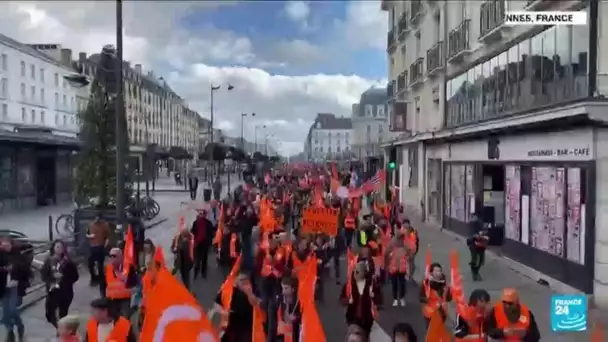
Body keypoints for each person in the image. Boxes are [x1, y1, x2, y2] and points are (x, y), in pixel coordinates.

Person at [41, 240, 79, 329]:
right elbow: (44, 274)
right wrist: (50, 282)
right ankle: (58, 326)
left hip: (66, 291)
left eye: (61, 247)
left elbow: (75, 277)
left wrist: (64, 277)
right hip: (52, 291)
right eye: (57, 247)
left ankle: (62, 330)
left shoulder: (68, 262)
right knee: (49, 314)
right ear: (53, 248)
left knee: (63, 313)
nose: (59, 249)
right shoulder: (49, 261)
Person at [0, 238, 31, 342]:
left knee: (13, 310)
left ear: (11, 244)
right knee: (4, 314)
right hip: (3, 287)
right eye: (2, 245)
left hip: (15, 287)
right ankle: (10, 331)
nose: (5, 247)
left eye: (6, 245)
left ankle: (20, 326)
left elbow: (26, 271)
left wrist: (14, 271)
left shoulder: (19, 256)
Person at [339, 262, 381, 337]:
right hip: (353, 318)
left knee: (366, 337)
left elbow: (380, 300)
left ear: (364, 272)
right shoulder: (349, 285)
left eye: (357, 271)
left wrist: (374, 296)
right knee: (355, 337)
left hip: (368, 319)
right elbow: (341, 299)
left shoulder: (371, 284)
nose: (355, 273)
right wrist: (348, 300)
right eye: (354, 271)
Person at [212, 273, 257, 342]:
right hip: (230, 325)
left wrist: (249, 293)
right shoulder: (228, 291)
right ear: (236, 282)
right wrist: (223, 312)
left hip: (246, 328)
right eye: (241, 280)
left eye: (246, 281)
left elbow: (256, 304)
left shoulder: (252, 292)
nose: (244, 283)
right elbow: (216, 304)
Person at [105, 248, 138, 317]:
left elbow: (135, 282)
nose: (112, 258)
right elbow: (103, 284)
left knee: (124, 318)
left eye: (114, 256)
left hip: (124, 299)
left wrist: (127, 281)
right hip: (112, 300)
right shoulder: (107, 269)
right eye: (110, 256)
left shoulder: (129, 267)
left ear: (121, 257)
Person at [419, 262, 452, 327]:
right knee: (430, 332)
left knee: (439, 329)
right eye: (436, 271)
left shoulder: (444, 284)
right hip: (430, 313)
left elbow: (449, 298)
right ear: (431, 272)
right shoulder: (426, 283)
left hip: (442, 312)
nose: (438, 273)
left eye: (439, 271)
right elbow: (421, 297)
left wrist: (450, 291)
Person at [86, 214, 110, 293]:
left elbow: (107, 237)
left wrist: (105, 245)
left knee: (100, 264)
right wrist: (90, 236)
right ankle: (94, 277)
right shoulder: (90, 225)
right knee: (90, 263)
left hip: (100, 246)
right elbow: (86, 234)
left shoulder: (104, 225)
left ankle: (100, 279)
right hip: (92, 247)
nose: (97, 220)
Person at [276, 276, 301, 342]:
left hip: (296, 331)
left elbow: (301, 315)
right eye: (282, 288)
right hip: (284, 331)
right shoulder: (280, 298)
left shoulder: (298, 300)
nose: (283, 291)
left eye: (286, 288)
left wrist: (296, 317)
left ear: (293, 289)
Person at [387, 231, 408, 307]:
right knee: (394, 284)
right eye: (399, 238)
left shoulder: (405, 245)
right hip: (393, 269)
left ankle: (401, 298)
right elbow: (387, 254)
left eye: (401, 238)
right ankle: (395, 299)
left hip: (402, 269)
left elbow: (409, 254)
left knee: (402, 284)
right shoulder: (392, 244)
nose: (400, 240)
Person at [191, 209, 213, 279]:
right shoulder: (195, 223)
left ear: (205, 215)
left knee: (204, 260)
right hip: (197, 244)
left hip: (204, 244)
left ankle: (204, 273)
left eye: (202, 214)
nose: (201, 215)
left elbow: (210, 234)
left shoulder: (208, 223)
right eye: (200, 214)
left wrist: (209, 243)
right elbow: (193, 232)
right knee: (197, 260)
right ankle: (196, 272)